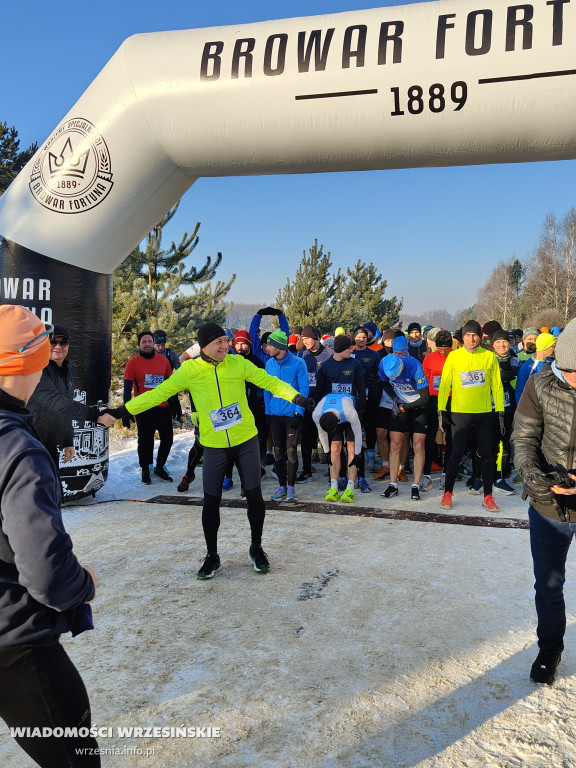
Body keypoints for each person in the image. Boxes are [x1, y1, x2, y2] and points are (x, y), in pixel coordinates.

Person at [105, 323, 314, 578]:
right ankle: (212, 556)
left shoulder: (238, 364)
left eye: (226, 342)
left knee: (254, 496)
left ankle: (256, 548)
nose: (226, 346)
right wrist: (120, 411)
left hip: (245, 440)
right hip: (214, 445)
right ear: (204, 345)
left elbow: (269, 382)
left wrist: (295, 397)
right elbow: (156, 394)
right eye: (219, 343)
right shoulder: (190, 371)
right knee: (211, 501)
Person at [0, 305, 99, 767]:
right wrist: (84, 584)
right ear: (33, 362)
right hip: (18, 641)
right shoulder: (17, 449)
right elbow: (47, 574)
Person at [512, 318, 576, 685]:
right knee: (548, 584)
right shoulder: (539, 383)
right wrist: (533, 476)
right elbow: (523, 440)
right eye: (568, 370)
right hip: (549, 505)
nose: (573, 378)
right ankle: (550, 648)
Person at [437, 320, 505, 511]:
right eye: (468, 335)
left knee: (487, 454)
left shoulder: (489, 357)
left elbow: (497, 386)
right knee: (456, 453)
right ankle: (448, 493)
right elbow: (444, 385)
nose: (471, 339)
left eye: (475, 335)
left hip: (484, 413)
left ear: (480, 337)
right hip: (460, 413)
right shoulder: (454, 357)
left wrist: (500, 412)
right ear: (463, 337)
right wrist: (441, 411)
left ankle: (488, 496)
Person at [27, 324, 110, 471]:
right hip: (32, 444)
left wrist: (67, 440)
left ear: (68, 345)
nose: (58, 346)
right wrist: (96, 415)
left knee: (51, 488)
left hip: (50, 443)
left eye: (63, 342)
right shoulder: (38, 369)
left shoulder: (66, 371)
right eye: (53, 342)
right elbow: (56, 402)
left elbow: (65, 408)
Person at [378, 338, 430, 501]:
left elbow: (425, 398)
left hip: (418, 406)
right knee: (395, 444)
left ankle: (415, 486)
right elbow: (383, 382)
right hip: (401, 405)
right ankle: (393, 485)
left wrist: (404, 407)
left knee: (418, 445)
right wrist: (395, 398)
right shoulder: (384, 363)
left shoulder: (414, 366)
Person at [122, 330, 174, 484]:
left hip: (163, 407)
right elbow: (127, 389)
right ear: (139, 344)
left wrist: (174, 405)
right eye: (143, 342)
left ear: (153, 343)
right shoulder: (132, 363)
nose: (147, 344)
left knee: (168, 439)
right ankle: (145, 469)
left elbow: (171, 385)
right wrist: (126, 411)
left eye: (149, 341)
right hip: (144, 409)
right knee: (145, 441)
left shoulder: (164, 361)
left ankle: (159, 467)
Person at [264, 330, 309, 501]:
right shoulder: (269, 364)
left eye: (270, 345)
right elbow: (267, 390)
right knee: (278, 452)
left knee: (291, 451)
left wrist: (299, 412)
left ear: (279, 346)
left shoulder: (299, 363)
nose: (267, 348)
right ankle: (281, 487)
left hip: (292, 414)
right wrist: (268, 412)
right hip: (275, 414)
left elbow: (303, 388)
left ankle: (291, 487)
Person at [297, 324, 334, 482]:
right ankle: (306, 471)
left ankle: (332, 467)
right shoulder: (301, 355)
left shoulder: (329, 354)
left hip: (324, 402)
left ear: (315, 338)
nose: (305, 341)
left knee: (328, 436)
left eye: (307, 338)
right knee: (306, 437)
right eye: (303, 339)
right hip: (307, 402)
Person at [313, 393, 363, 503]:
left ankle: (350, 489)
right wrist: (326, 452)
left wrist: (357, 454)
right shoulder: (317, 414)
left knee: (351, 448)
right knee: (334, 447)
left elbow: (358, 434)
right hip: (332, 412)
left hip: (349, 411)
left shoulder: (350, 412)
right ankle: (333, 487)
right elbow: (322, 434)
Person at [515, 332, 556, 404]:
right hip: (534, 408)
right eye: (553, 346)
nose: (555, 349)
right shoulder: (528, 367)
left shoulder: (552, 362)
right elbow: (520, 391)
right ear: (545, 346)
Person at [154, 329, 182, 424]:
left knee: (173, 404)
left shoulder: (171, 354)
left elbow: (179, 369)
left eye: (163, 345)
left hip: (169, 386)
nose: (160, 348)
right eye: (158, 345)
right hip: (153, 386)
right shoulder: (150, 354)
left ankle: (174, 419)